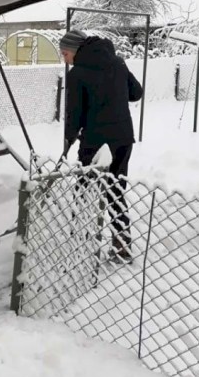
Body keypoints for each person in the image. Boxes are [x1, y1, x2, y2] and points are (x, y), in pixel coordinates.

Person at [60, 29, 143, 263]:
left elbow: (73, 113)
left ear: (75, 51)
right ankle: (122, 246)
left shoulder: (77, 74)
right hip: (123, 140)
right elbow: (136, 93)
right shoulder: (117, 63)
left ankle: (80, 241)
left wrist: (68, 140)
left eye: (64, 54)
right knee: (115, 192)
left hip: (95, 143)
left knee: (84, 191)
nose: (64, 59)